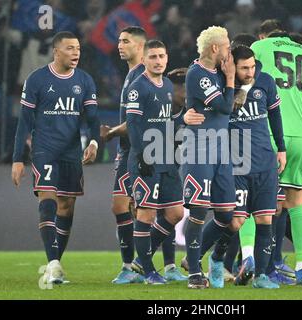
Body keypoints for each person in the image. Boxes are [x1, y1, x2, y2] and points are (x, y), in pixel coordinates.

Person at [188, 45, 287, 289]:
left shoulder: (265, 81)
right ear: (233, 67)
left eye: (253, 66)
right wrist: (184, 117)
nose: (250, 71)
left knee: (266, 218)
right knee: (234, 221)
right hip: (236, 162)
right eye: (244, 67)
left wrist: (281, 148)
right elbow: (202, 105)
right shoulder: (222, 86)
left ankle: (262, 276)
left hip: (264, 159)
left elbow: (275, 116)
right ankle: (215, 259)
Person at [11, 31, 100, 284]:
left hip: (71, 152)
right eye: (70, 48)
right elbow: (25, 121)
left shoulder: (84, 80)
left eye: (79, 49)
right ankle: (52, 262)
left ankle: (55, 265)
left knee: (66, 207)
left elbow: (93, 119)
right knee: (48, 197)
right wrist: (18, 158)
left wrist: (93, 141)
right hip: (44, 149)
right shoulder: (37, 79)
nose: (76, 53)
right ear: (56, 51)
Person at [251, 20, 302, 285]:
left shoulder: (259, 47)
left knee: (258, 202)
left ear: (265, 35)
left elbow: (244, 78)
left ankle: (257, 262)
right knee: (296, 202)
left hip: (270, 134)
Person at [180, 26, 236, 289]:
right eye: (226, 46)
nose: (229, 51)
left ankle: (195, 257)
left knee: (227, 215)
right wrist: (232, 80)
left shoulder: (216, 73)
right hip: (199, 149)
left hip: (221, 151)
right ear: (215, 48)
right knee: (199, 210)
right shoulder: (198, 74)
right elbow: (225, 106)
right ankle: (194, 272)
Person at [126, 40, 184, 285]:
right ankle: (149, 272)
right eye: (153, 57)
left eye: (161, 56)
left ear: (167, 58)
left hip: (167, 159)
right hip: (146, 160)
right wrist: (141, 155)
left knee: (175, 213)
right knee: (146, 214)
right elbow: (132, 124)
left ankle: (141, 259)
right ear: (144, 61)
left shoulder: (168, 85)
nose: (158, 61)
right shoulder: (138, 88)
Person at [99, 26, 147, 285]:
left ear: (140, 46)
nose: (119, 45)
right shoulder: (130, 74)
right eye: (118, 40)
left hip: (136, 151)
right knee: (124, 207)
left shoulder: (141, 76)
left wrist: (110, 133)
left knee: (138, 209)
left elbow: (135, 122)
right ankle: (132, 266)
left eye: (125, 41)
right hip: (125, 151)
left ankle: (136, 266)